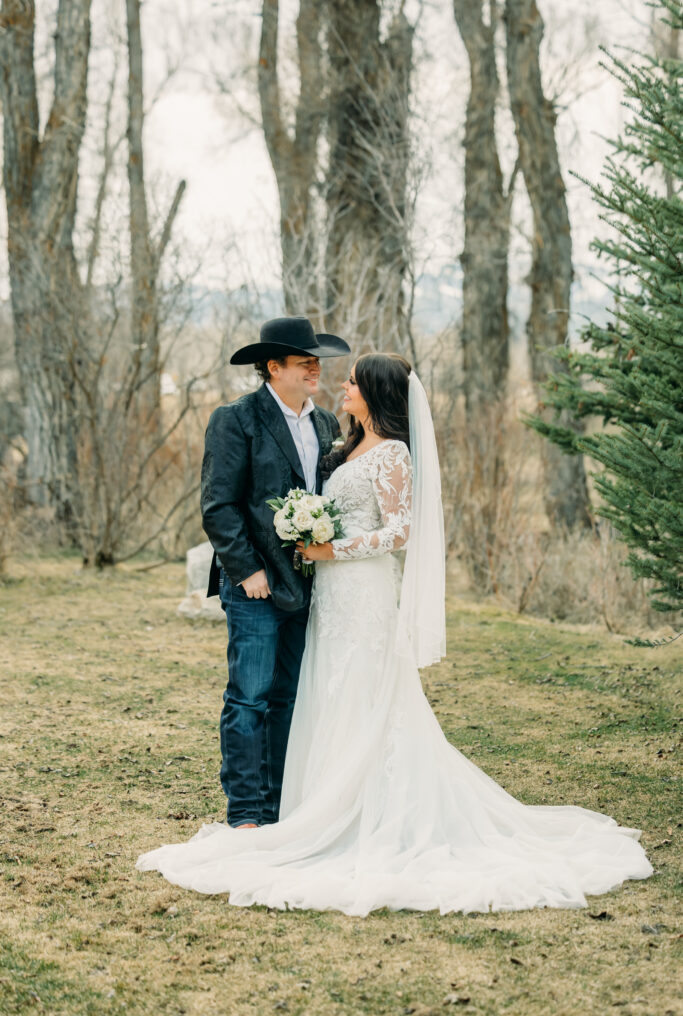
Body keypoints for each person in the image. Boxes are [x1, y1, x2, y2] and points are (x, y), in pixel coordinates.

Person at [138, 353, 652, 916]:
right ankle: (295, 809)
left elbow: (400, 530)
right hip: (326, 594)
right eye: (325, 370)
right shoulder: (338, 440)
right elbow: (232, 501)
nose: (339, 382)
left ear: (377, 393)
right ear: (274, 367)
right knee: (317, 692)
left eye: (352, 380)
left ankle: (361, 813)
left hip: (362, 591)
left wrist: (334, 548)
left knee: (360, 692)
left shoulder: (390, 451)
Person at [200, 316, 349, 829]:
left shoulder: (326, 424)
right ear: (272, 367)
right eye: (303, 360)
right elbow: (218, 505)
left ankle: (278, 804)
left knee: (288, 695)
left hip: (309, 583)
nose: (315, 367)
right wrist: (246, 571)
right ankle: (244, 812)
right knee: (249, 697)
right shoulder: (235, 419)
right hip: (254, 586)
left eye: (316, 360)